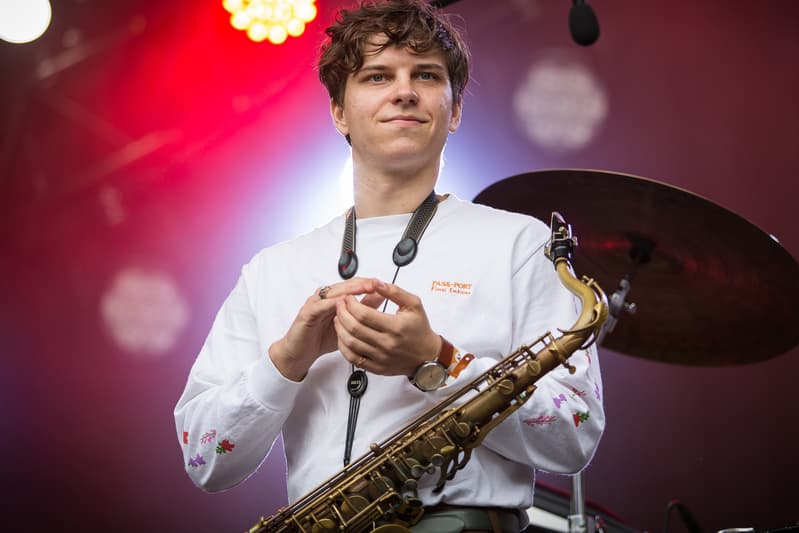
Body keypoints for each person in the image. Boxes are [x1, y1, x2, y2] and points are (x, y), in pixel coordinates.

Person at [174, 1, 605, 531]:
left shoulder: (520, 243)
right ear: (338, 112)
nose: (404, 91)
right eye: (377, 76)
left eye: (426, 75)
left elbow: (574, 438)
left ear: (455, 109)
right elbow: (205, 460)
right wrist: (286, 360)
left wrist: (440, 359)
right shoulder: (272, 269)